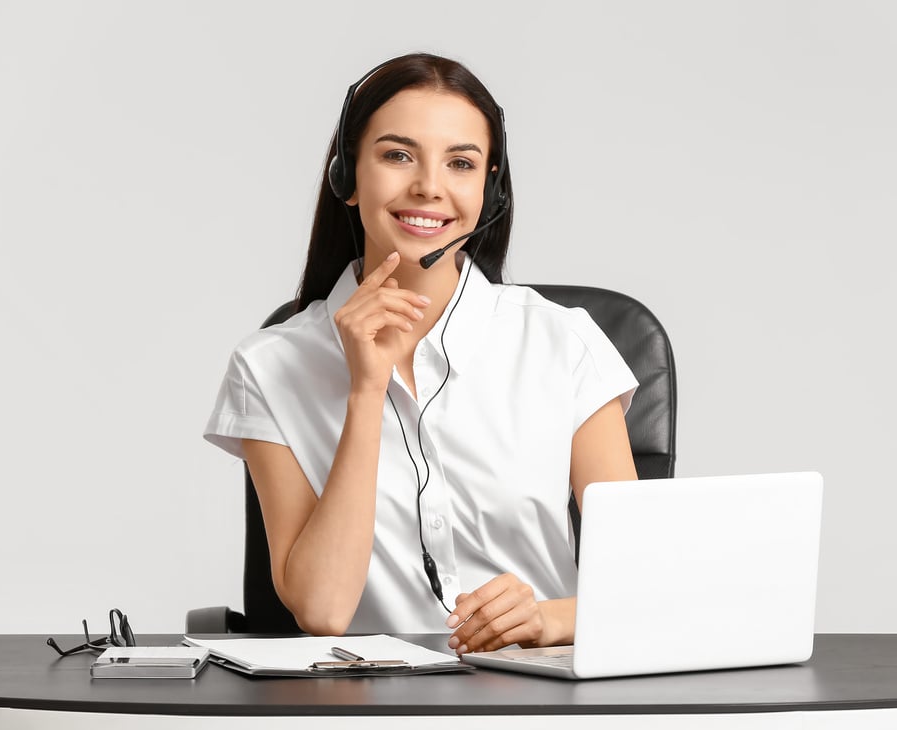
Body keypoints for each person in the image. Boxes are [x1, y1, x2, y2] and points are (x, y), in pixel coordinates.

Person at [204, 53, 638, 655]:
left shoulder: (563, 344)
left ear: (490, 191)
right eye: (397, 155)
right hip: (366, 707)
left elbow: (650, 585)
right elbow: (324, 610)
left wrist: (550, 618)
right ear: (346, 179)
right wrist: (365, 388)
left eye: (461, 163)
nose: (429, 186)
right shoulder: (269, 367)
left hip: (543, 704)